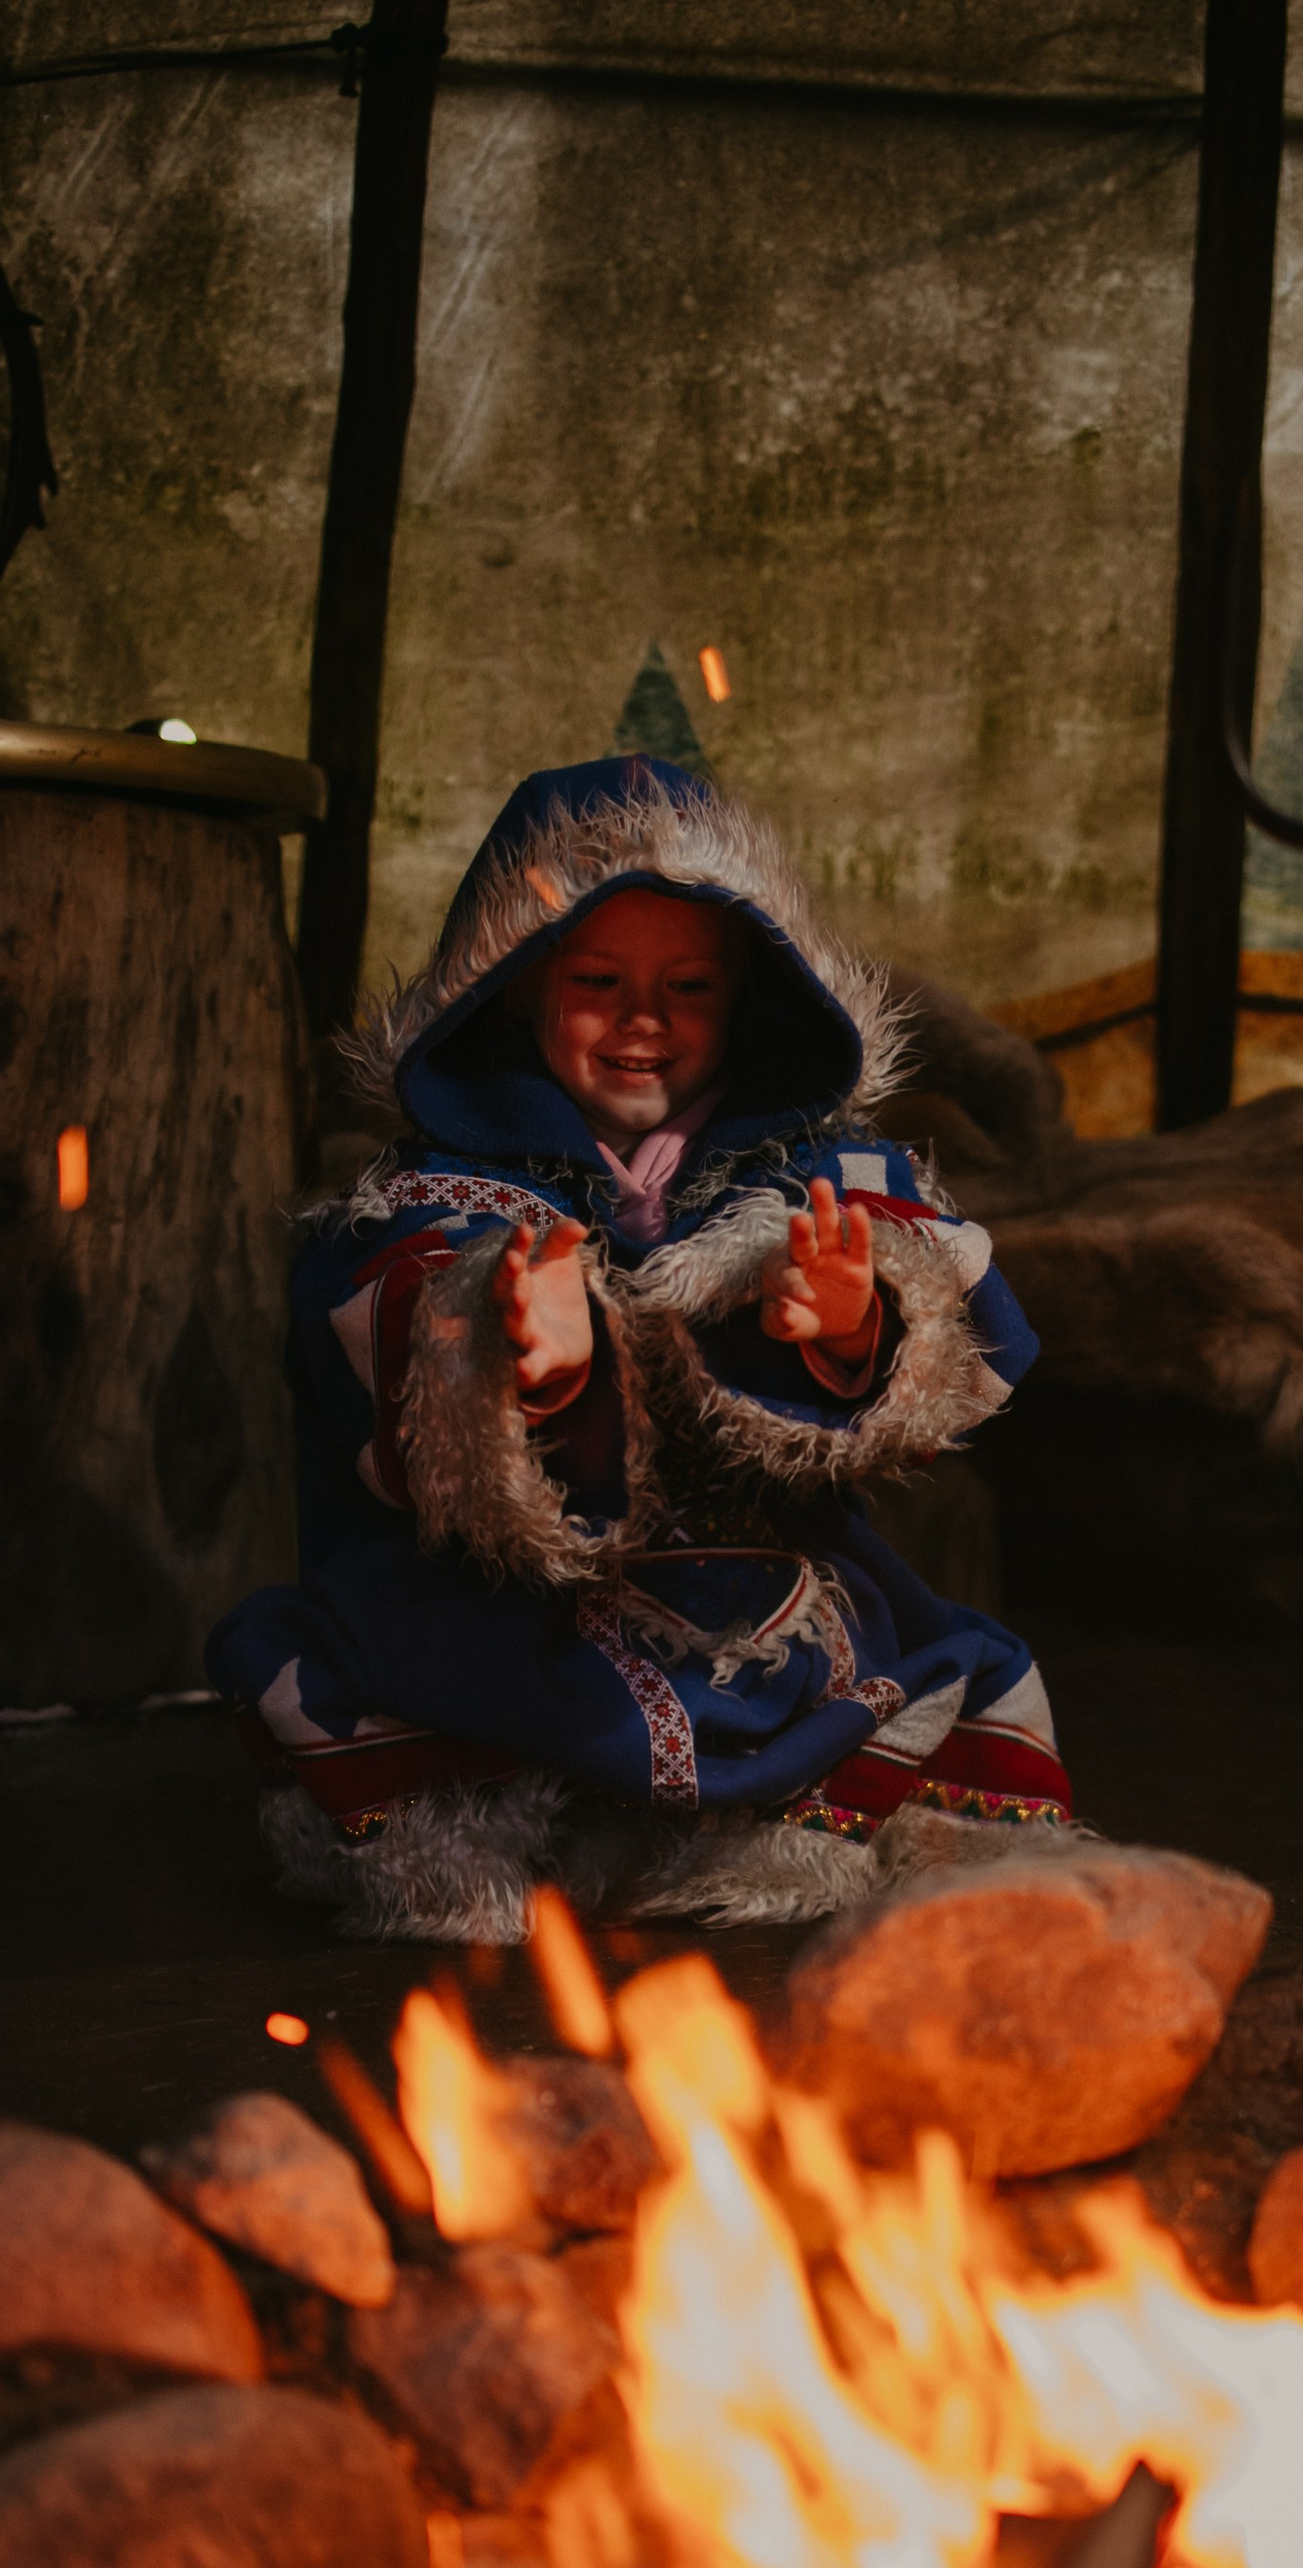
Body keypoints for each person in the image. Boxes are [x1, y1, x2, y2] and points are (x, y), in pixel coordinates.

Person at [210, 754, 1072, 1939]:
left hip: (753, 1585)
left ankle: (765, 1813)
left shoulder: (818, 1176)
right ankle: (520, 1834)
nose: (642, 1023)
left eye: (689, 987)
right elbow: (379, 1323)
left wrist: (853, 1324)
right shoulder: (432, 1190)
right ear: (512, 988)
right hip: (504, 1610)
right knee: (408, 1673)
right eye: (598, 979)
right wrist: (531, 1362)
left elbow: (958, 1321)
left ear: (750, 998)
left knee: (901, 1659)